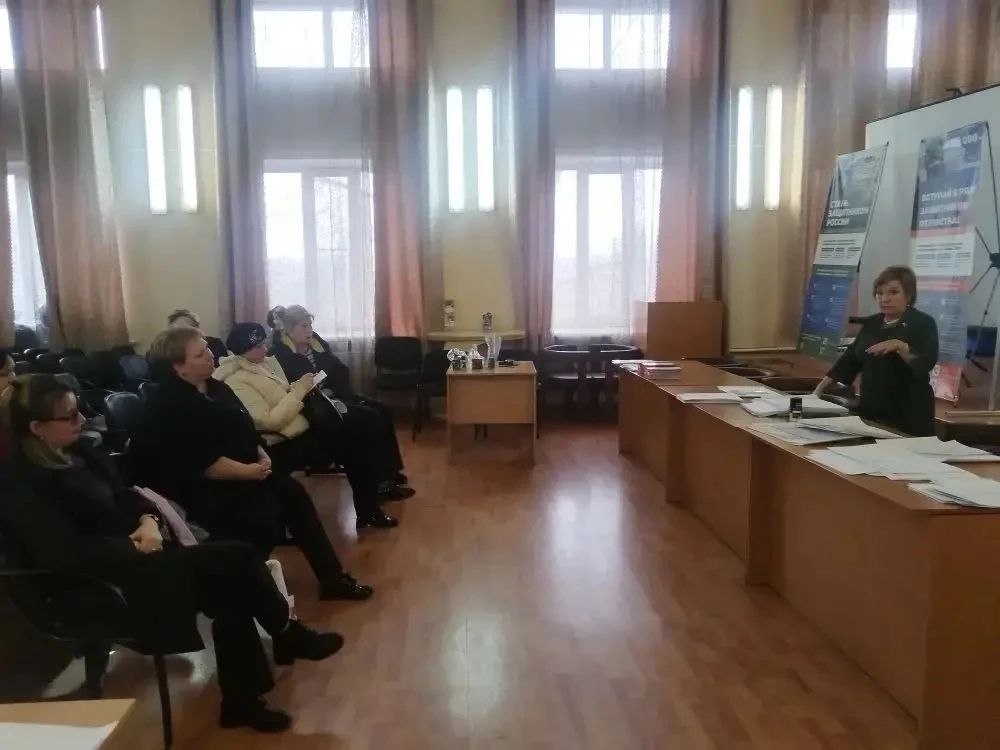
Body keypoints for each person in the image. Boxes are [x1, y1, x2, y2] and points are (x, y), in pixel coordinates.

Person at [0, 374, 344, 732]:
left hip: (139, 561)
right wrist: (133, 546)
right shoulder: (19, 483)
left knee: (233, 581)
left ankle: (247, 695)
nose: (83, 420)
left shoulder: (81, 452)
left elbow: (127, 495)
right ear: (37, 428)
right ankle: (280, 643)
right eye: (70, 416)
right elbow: (61, 553)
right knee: (236, 561)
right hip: (96, 585)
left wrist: (148, 520)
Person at [131, 326, 373, 600]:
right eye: (199, 354)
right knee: (263, 514)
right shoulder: (169, 404)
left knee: (292, 492)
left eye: (207, 347)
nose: (210, 355)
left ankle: (332, 578)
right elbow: (205, 465)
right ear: (178, 368)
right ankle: (253, 592)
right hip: (202, 487)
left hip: (244, 471)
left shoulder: (216, 387)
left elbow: (246, 426)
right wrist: (251, 471)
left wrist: (261, 455)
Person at [214, 323, 396, 530]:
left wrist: (300, 386)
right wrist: (299, 390)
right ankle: (370, 510)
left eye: (264, 344)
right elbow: (269, 421)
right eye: (258, 346)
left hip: (302, 427)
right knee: (356, 440)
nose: (265, 349)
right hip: (284, 442)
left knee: (361, 431)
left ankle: (372, 504)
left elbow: (281, 396)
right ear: (243, 350)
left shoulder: (262, 364)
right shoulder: (236, 381)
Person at [269, 305, 413, 501]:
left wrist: (336, 388)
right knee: (370, 418)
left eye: (310, 325)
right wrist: (323, 391)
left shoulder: (316, 343)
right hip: (314, 407)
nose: (309, 330)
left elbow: (338, 368)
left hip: (335, 395)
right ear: (288, 330)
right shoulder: (281, 354)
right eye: (304, 326)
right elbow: (291, 387)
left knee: (382, 410)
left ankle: (390, 472)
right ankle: (380, 483)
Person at [813, 265, 938, 436]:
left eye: (893, 292)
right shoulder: (872, 323)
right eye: (879, 293)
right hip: (871, 410)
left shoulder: (922, 323)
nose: (884, 299)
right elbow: (849, 361)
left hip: (908, 413)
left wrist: (901, 346)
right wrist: (817, 392)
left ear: (909, 294)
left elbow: (925, 363)